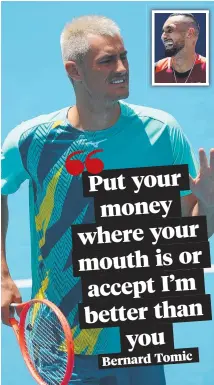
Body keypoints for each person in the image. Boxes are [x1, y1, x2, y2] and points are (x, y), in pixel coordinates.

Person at [1, 15, 214, 385]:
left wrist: (209, 204)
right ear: (75, 70)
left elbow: (191, 234)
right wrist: (1, 274)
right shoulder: (32, 140)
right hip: (64, 344)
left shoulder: (162, 134)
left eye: (125, 57)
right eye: (107, 61)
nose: (122, 68)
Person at [155, 13, 206, 84]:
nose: (163, 36)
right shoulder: (154, 70)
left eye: (169, 30)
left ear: (189, 33)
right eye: (163, 32)